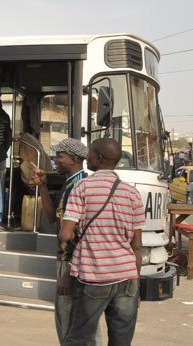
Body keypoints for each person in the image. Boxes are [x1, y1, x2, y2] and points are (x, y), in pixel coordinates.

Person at [60, 138, 144, 346]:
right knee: (121, 340)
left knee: (80, 338)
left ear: (98, 158)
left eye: (89, 154)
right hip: (126, 277)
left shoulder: (82, 188)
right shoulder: (132, 193)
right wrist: (136, 283)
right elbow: (137, 244)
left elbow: (65, 234)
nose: (86, 157)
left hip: (92, 277)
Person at [32, 138, 98, 344]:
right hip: (67, 260)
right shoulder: (70, 183)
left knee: (70, 319)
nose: (56, 161)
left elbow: (74, 234)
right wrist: (42, 186)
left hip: (71, 261)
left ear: (74, 158)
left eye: (59, 157)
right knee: (67, 318)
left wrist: (68, 271)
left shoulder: (79, 185)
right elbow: (53, 218)